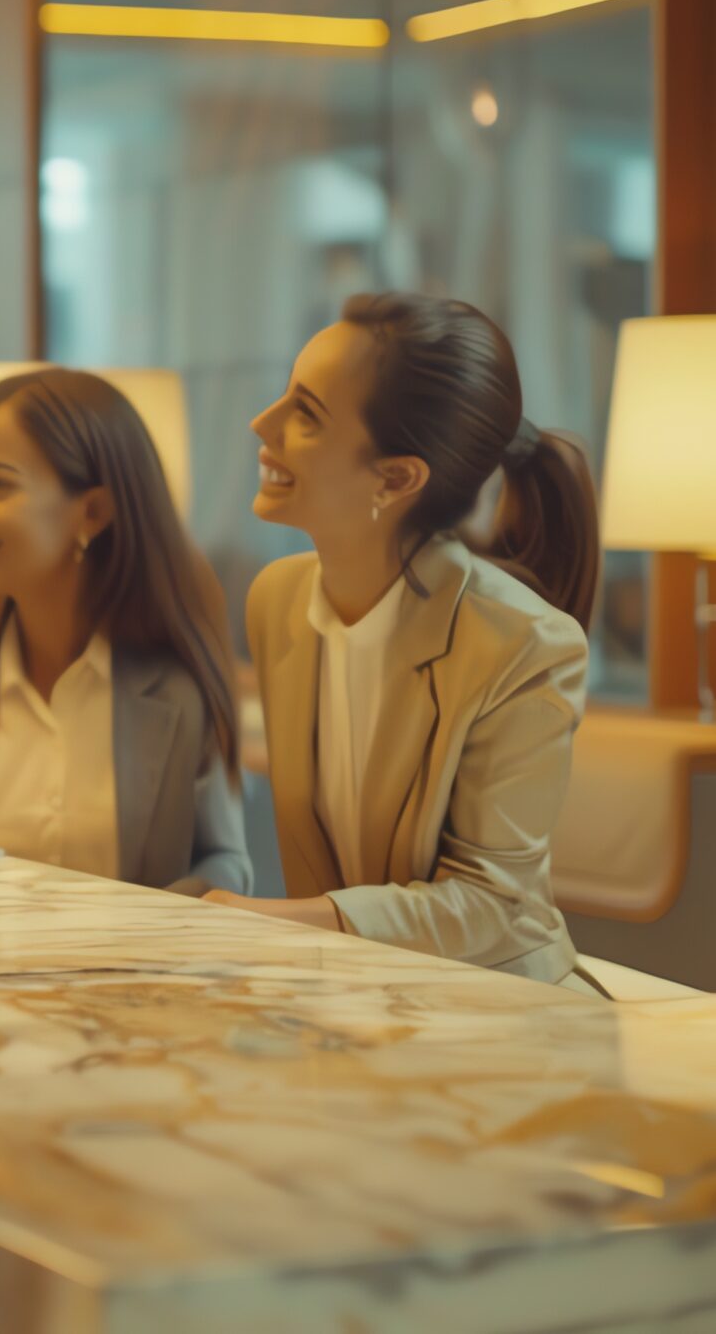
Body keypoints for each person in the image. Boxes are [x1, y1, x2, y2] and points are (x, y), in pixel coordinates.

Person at [219, 291, 600, 990]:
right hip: (354, 996)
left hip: (501, 1005)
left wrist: (270, 923)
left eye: (304, 412)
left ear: (395, 477)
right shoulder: (276, 600)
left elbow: (491, 905)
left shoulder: (526, 643)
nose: (262, 422)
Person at [0, 368, 249, 895]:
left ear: (94, 510)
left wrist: (163, 925)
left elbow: (224, 860)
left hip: (129, 974)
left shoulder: (180, 687)